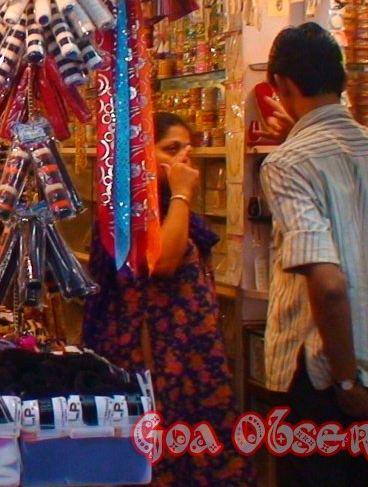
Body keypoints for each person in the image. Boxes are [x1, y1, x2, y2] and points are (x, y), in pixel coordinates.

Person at [259, 23, 368, 487]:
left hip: (321, 377)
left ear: (281, 86)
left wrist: (344, 383)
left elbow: (329, 284)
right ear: (340, 80)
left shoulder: (287, 163)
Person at [83, 112, 253, 487]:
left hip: (188, 357)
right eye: (171, 149)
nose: (183, 160)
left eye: (187, 150)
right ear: (143, 156)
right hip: (151, 360)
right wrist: (180, 193)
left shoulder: (166, 207)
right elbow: (164, 260)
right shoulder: (126, 210)